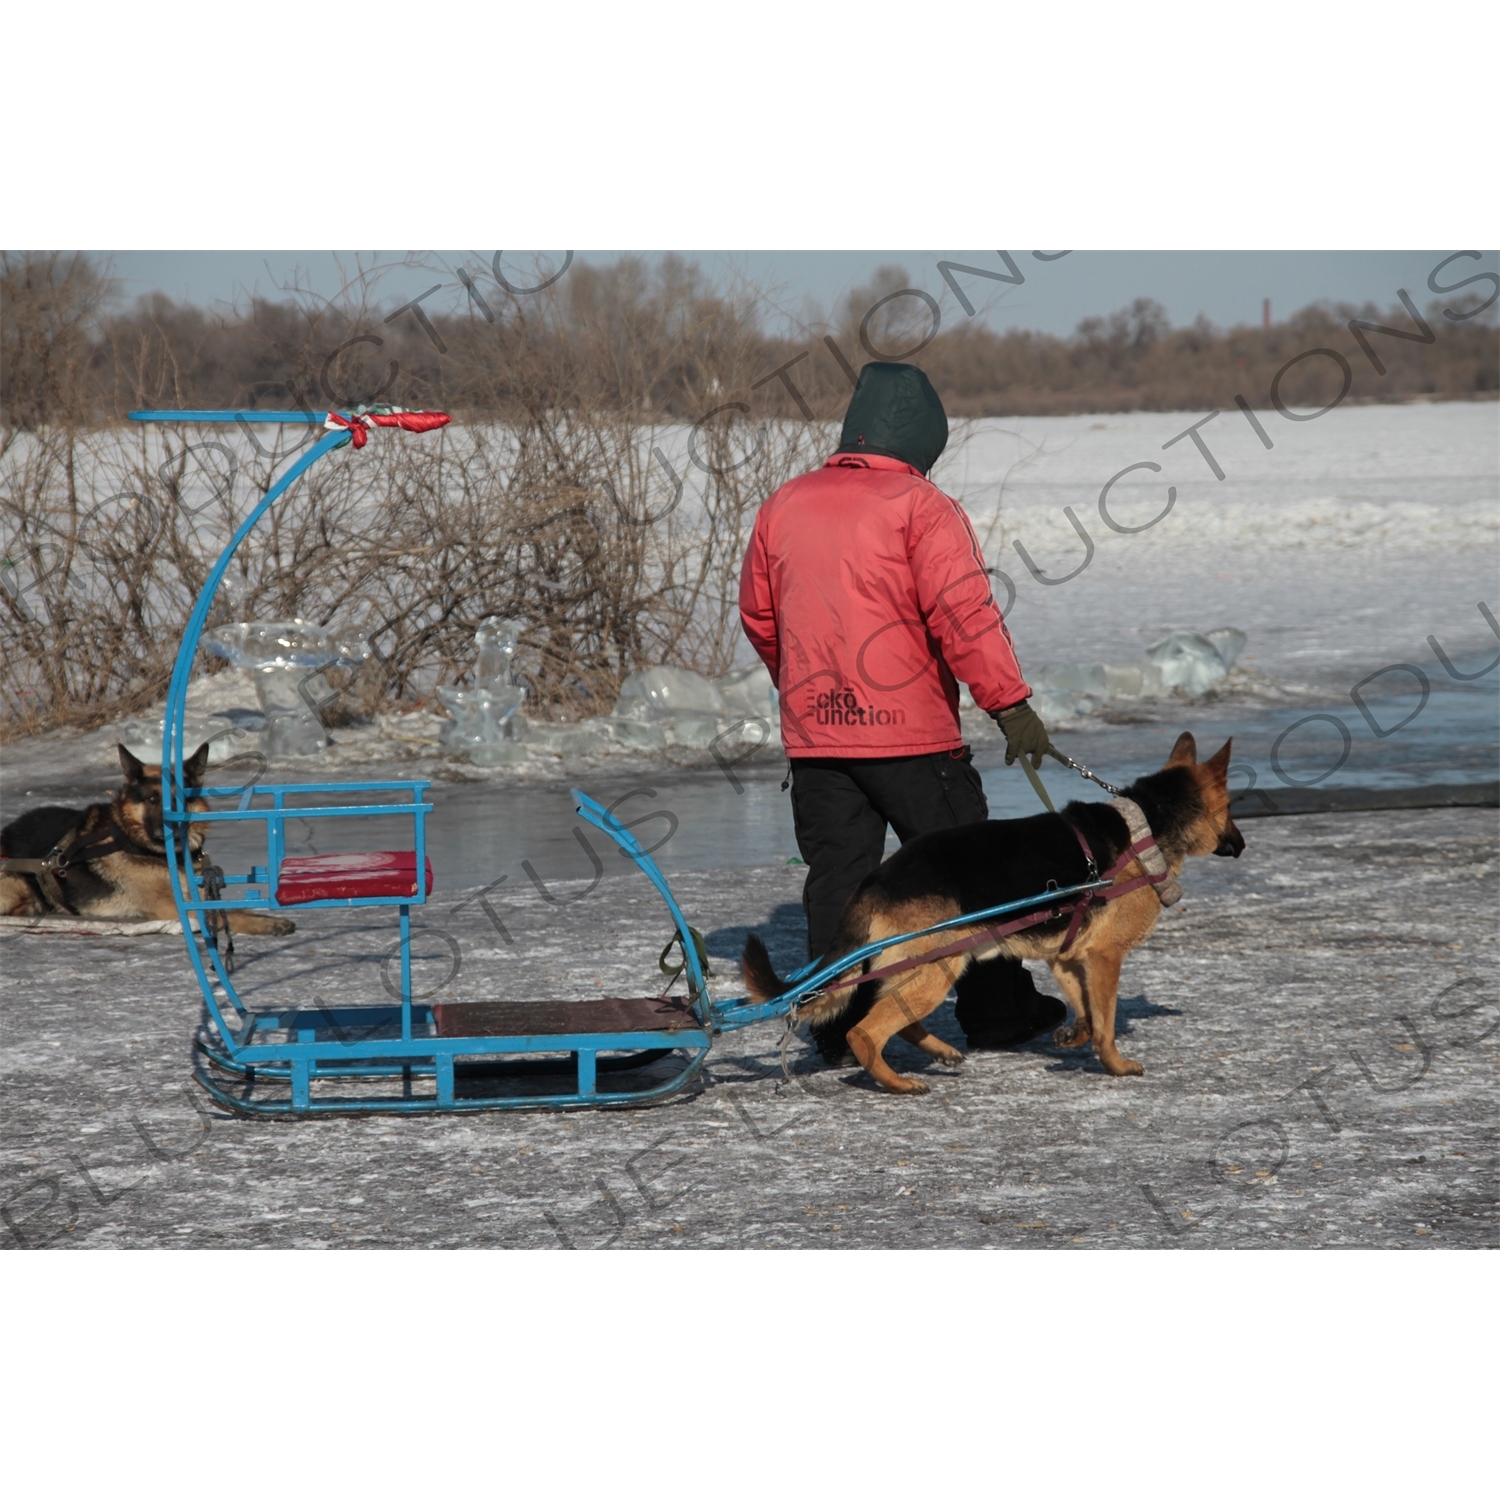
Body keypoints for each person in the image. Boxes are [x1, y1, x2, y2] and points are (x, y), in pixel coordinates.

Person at [738, 361, 1065, 1062]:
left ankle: (835, 1024)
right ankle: (1001, 1013)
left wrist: (802, 685)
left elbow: (761, 617)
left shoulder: (785, 503)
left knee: (838, 882)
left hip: (819, 737)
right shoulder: (922, 506)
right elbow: (964, 617)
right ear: (921, 436)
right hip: (912, 740)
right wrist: (1009, 706)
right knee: (972, 877)